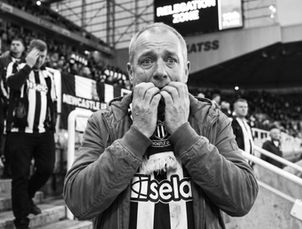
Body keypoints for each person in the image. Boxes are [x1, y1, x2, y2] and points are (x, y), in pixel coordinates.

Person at [63, 23, 258, 229]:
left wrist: (185, 134)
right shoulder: (104, 122)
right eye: (147, 61)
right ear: (131, 73)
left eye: (171, 60)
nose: (160, 72)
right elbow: (78, 203)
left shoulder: (211, 120)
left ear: (186, 71)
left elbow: (242, 199)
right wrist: (136, 135)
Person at [6, 39, 57, 229]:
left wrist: (53, 128)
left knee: (46, 168)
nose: (40, 60)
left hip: (43, 132)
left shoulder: (49, 76)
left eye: (43, 56)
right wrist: (27, 65)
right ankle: (21, 220)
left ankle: (26, 197)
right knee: (19, 175)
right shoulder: (16, 65)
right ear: (29, 53)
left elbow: (53, 104)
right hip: (20, 132)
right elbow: (12, 84)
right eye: (37, 55)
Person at [0, 38, 25, 178]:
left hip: (19, 107)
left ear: (23, 48)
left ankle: (12, 168)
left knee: (16, 136)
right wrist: (7, 98)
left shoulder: (26, 64)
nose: (14, 47)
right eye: (13, 44)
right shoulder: (3, 61)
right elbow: (1, 81)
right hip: (4, 103)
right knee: (4, 132)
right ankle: (5, 166)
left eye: (18, 45)